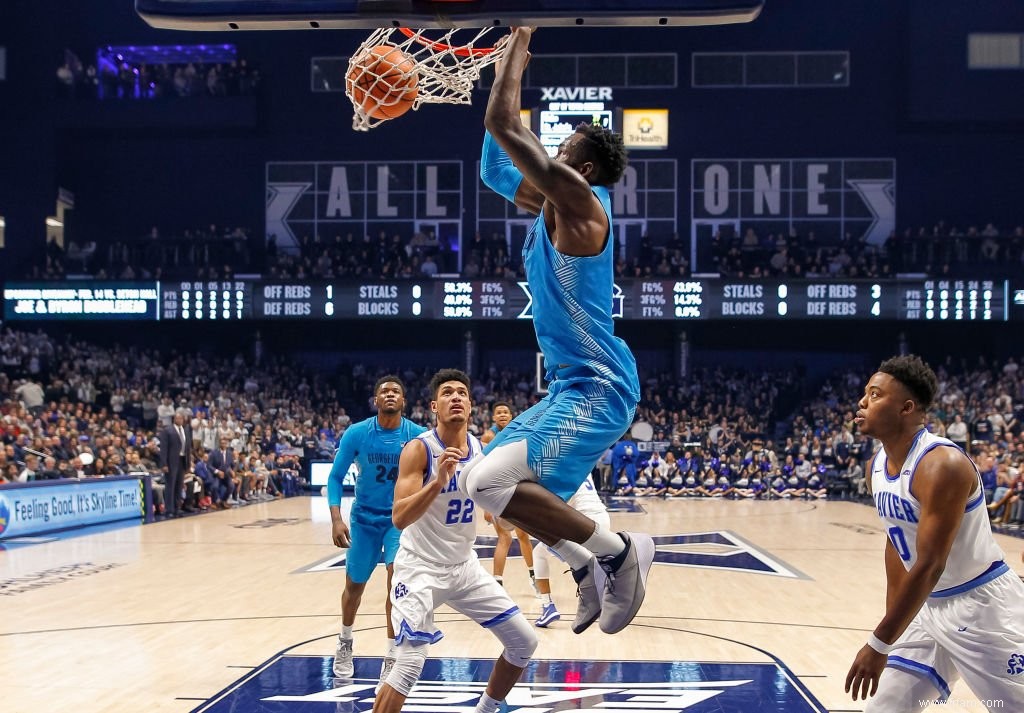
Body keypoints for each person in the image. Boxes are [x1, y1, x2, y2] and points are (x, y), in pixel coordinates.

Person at [468, 26, 653, 637]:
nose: (555, 150)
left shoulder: (582, 202)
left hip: (599, 385)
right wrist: (503, 79)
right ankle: (586, 564)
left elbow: (507, 129)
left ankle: (619, 553)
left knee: (493, 480)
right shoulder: (546, 206)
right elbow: (497, 160)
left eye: (565, 146)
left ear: (585, 166)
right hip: (568, 387)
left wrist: (512, 58)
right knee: (487, 485)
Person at [844, 355, 1024, 708]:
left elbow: (929, 564)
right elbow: (897, 544)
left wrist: (879, 643)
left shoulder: (942, 465)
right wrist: (894, 627)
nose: (862, 402)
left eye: (876, 394)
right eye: (865, 393)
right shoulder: (875, 467)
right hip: (928, 607)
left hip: (981, 607)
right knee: (883, 707)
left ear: (906, 408)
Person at [374, 369, 536, 713]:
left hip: (464, 568)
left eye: (462, 392)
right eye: (447, 393)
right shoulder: (419, 449)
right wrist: (437, 482)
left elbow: (499, 511)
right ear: (435, 406)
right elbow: (399, 517)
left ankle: (486, 709)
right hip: (419, 569)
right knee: (409, 664)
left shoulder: (483, 452)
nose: (456, 397)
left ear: (471, 404)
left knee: (524, 641)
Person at [328, 376, 426, 679]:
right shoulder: (357, 433)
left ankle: (392, 655)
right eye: (384, 391)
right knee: (354, 587)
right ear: (375, 399)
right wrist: (335, 518)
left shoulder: (417, 435)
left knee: (396, 585)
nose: (390, 394)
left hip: (399, 520)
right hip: (364, 520)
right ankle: (345, 639)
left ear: (404, 401)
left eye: (396, 391)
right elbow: (335, 477)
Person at [533, 473, 609, 628]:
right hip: (602, 518)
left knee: (539, 553)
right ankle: (610, 602)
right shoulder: (579, 460)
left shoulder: (559, 467)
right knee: (598, 563)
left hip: (583, 522)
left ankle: (547, 606)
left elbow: (557, 506)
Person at [481, 402, 537, 591]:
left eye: (506, 412)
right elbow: (482, 470)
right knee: (504, 537)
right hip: (497, 491)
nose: (503, 415)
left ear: (511, 416)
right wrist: (485, 505)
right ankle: (497, 582)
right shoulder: (489, 436)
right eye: (499, 412)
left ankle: (533, 576)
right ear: (493, 417)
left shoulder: (519, 432)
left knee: (523, 536)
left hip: (517, 489)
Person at [159, 413, 192, 518]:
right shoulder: (167, 430)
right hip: (171, 461)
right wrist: (164, 464)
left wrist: (188, 462)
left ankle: (177, 508)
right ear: (174, 419)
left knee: (179, 485)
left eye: (181, 418)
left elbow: (188, 448)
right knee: (170, 486)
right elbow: (163, 448)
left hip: (182, 460)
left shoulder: (185, 430)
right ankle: (169, 509)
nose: (180, 419)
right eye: (178, 418)